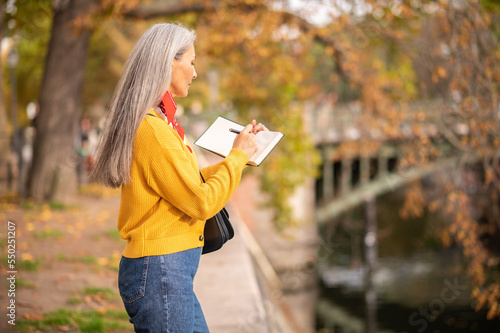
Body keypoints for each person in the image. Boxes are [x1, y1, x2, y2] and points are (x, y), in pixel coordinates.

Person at [90, 22, 267, 332]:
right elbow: (200, 202)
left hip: (168, 272)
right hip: (160, 272)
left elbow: (186, 182)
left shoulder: (159, 123)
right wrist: (236, 157)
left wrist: (240, 155)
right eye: (192, 62)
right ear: (169, 61)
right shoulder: (154, 130)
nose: (195, 73)